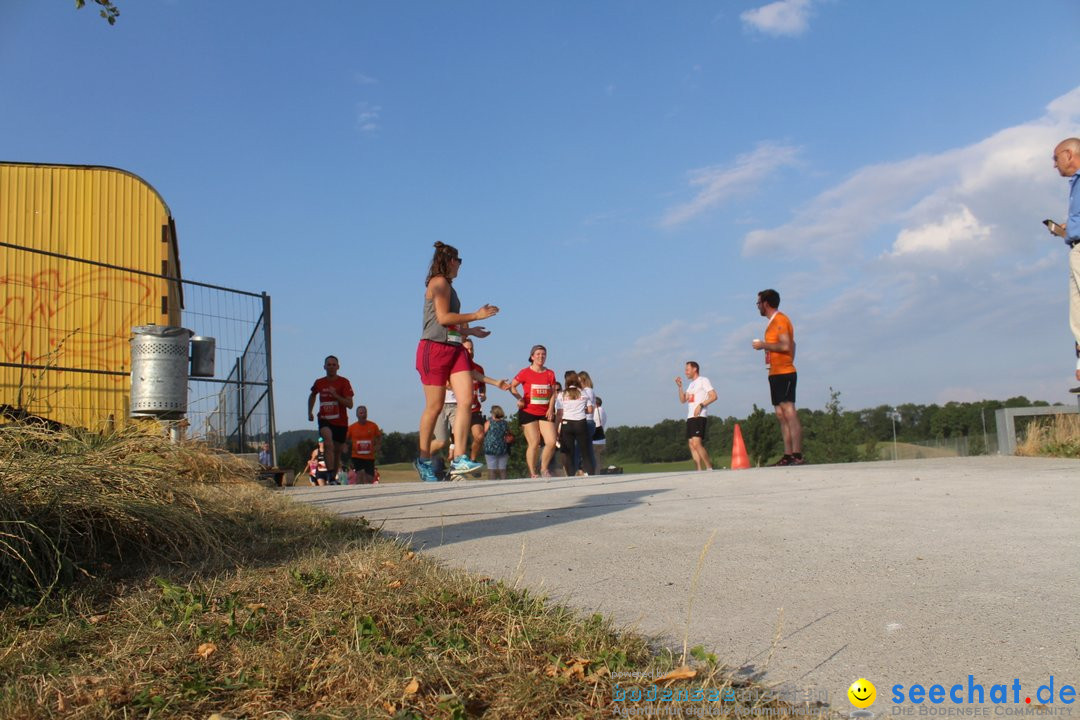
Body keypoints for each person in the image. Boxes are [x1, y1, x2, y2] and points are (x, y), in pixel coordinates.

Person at [415, 242, 498, 482]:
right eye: (459, 260)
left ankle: (460, 457)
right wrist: (476, 314)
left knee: (466, 400)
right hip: (434, 349)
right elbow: (442, 318)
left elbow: (452, 324)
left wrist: (470, 332)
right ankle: (423, 459)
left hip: (454, 347)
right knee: (435, 406)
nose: (460, 265)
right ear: (450, 261)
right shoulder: (438, 283)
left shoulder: (449, 286)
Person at [752, 289, 806, 465]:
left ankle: (797, 454)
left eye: (758, 303)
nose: (758, 306)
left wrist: (763, 345)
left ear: (766, 303)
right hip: (774, 372)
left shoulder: (781, 320)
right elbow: (793, 344)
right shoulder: (772, 323)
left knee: (789, 411)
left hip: (785, 373)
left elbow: (786, 345)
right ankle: (787, 454)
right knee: (781, 414)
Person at [1049, 137, 1080, 391]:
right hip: (1074, 246)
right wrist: (1066, 229)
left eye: (1055, 158)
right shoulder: (1075, 184)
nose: (1054, 164)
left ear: (1070, 155)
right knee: (1077, 317)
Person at [509, 344, 557, 478]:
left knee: (551, 442)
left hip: (545, 412)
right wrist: (519, 398)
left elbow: (553, 393)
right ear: (532, 357)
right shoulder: (525, 372)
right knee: (534, 443)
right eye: (538, 354)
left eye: (543, 354)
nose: (541, 357)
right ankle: (532, 472)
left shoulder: (550, 373)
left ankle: (544, 468)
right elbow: (512, 386)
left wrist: (551, 408)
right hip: (528, 411)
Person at [462, 338, 510, 462]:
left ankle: (472, 460)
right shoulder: (456, 367)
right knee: (455, 441)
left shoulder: (478, 368)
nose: (470, 351)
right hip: (458, 409)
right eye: (466, 348)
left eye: (471, 348)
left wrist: (483, 393)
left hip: (474, 409)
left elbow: (482, 383)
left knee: (480, 436)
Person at [307, 355, 354, 482]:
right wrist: (310, 412)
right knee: (328, 443)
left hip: (341, 422)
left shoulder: (344, 382)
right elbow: (312, 396)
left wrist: (335, 395)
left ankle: (333, 476)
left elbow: (350, 405)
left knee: (337, 450)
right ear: (324, 367)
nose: (331, 367)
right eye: (329, 364)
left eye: (334, 364)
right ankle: (328, 476)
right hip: (324, 419)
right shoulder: (319, 382)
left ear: (338, 367)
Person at [675, 361, 716, 471]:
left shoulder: (703, 380)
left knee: (697, 443)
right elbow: (683, 400)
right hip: (690, 417)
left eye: (687, 369)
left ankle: (709, 468)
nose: (685, 372)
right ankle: (698, 470)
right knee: (691, 444)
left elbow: (714, 396)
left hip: (699, 416)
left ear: (695, 369)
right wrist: (680, 387)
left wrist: (701, 405)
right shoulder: (690, 385)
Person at [556, 371, 595, 477]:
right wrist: (581, 410)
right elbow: (590, 410)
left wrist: (556, 429)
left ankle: (570, 475)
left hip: (567, 424)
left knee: (569, 453)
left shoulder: (561, 394)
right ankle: (590, 473)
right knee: (585, 451)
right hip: (581, 423)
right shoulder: (583, 393)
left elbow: (559, 414)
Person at [346, 405, 382, 484]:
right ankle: (359, 491)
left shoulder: (373, 426)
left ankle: (367, 492)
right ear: (357, 415)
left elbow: (379, 437)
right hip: (357, 456)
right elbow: (346, 439)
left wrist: (378, 446)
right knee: (360, 475)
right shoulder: (352, 427)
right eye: (361, 413)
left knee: (369, 478)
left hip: (369, 456)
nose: (363, 414)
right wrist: (345, 447)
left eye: (365, 413)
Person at [575, 370, 598, 474]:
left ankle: (583, 469)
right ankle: (591, 470)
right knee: (588, 448)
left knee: (580, 448)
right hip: (589, 421)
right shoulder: (590, 391)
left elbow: (587, 407)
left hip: (586, 421)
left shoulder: (587, 391)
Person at [482, 405, 512, 480]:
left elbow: (483, 433)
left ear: (493, 413)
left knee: (492, 470)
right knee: (502, 469)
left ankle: (492, 486)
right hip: (503, 447)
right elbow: (510, 433)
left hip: (490, 448)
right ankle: (505, 485)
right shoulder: (505, 423)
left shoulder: (489, 422)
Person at [592, 396, 607, 472]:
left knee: (595, 458)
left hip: (595, 440)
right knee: (599, 459)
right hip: (602, 439)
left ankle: (596, 473)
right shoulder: (603, 411)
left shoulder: (596, 411)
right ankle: (599, 472)